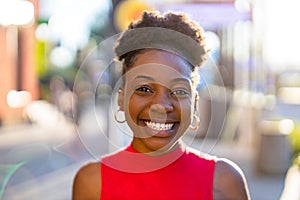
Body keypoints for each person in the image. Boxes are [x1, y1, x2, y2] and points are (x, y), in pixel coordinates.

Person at [72, 10, 250, 200]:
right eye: (145, 89)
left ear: (195, 103)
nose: (161, 106)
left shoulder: (225, 182)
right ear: (121, 100)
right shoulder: (92, 183)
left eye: (178, 91)